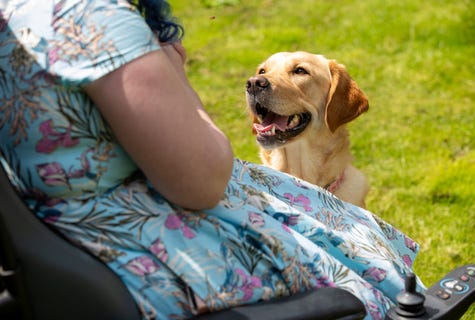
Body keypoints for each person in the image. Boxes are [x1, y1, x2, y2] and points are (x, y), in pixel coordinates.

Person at [0, 1, 424, 319]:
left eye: (298, 73)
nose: (260, 83)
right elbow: (202, 181)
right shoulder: (91, 18)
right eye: (262, 72)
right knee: (375, 278)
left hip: (55, 242)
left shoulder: (13, 17)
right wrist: (178, 83)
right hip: (151, 257)